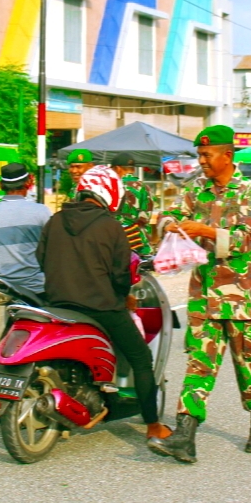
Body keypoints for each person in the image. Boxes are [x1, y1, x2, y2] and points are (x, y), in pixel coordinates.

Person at [149, 125, 251, 463]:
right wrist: (169, 225)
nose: (201, 160)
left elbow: (245, 239)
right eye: (199, 155)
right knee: (198, 363)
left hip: (240, 295)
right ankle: (184, 435)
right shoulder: (196, 189)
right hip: (203, 293)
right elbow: (171, 215)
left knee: (246, 362)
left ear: (227, 156)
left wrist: (203, 229)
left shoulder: (249, 191)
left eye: (207, 155)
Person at [36, 165, 171, 442]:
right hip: (100, 307)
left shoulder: (55, 220)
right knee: (141, 358)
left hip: (56, 304)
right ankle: (153, 425)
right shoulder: (111, 227)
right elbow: (121, 277)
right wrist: (125, 298)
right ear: (109, 194)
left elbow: (41, 260)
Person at [0, 163, 51, 302]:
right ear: (28, 183)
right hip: (35, 288)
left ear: (1, 185)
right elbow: (49, 250)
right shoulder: (42, 212)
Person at [110, 152, 155, 255]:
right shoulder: (145, 188)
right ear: (133, 170)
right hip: (140, 243)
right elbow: (145, 217)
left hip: (116, 244)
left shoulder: (111, 186)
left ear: (117, 168)